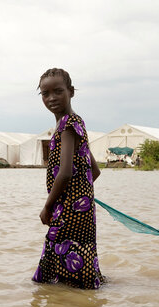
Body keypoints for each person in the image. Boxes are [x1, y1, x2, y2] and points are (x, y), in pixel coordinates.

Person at [32, 68, 104, 289]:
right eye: (45, 93)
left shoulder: (66, 125)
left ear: (71, 92)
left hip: (69, 210)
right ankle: (79, 302)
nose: (51, 98)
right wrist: (82, 195)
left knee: (53, 268)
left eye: (58, 91)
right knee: (76, 260)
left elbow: (65, 172)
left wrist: (48, 206)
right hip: (80, 209)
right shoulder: (76, 122)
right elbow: (95, 170)